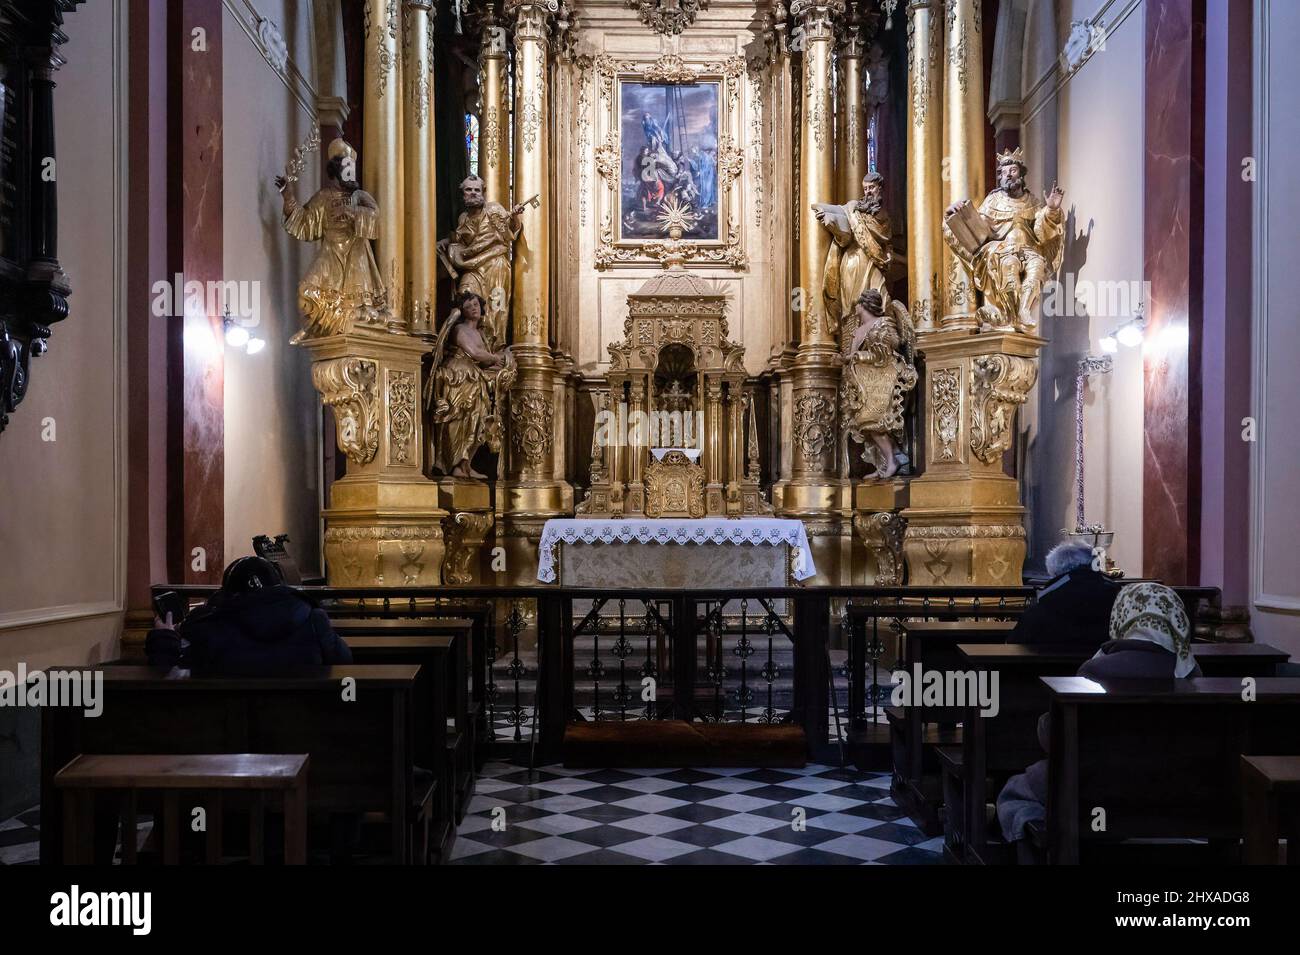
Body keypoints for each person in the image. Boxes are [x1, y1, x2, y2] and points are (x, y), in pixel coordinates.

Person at [995, 582, 1200, 852]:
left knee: (1015, 793)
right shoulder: (1191, 672)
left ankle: (1052, 851)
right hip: (1178, 786)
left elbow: (1057, 734)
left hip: (1098, 786)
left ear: (1122, 615)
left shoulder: (1098, 668)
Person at [146, 556, 352, 673]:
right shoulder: (313, 619)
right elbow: (343, 662)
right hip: (302, 720)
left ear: (227, 592)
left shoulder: (210, 624)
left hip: (222, 733)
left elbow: (169, 678)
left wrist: (164, 638)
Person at [1007, 538, 1121, 647]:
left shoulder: (1044, 603)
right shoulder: (1117, 596)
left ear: (1055, 571)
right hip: (1108, 664)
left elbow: (1015, 643)